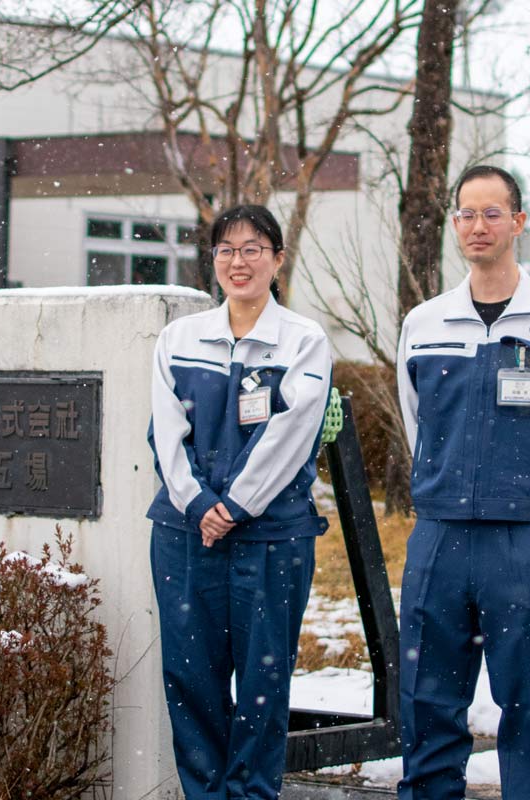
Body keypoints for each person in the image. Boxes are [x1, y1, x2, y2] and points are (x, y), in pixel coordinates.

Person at [396, 164, 530, 799]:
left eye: (492, 213)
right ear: (454, 222)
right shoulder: (424, 323)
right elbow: (417, 424)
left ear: (518, 221)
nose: (477, 226)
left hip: (523, 538)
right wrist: (448, 482)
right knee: (428, 700)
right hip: (440, 536)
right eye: (466, 213)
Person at [147, 204, 332, 800]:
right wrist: (199, 504)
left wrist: (234, 506)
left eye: (254, 248)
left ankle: (252, 795)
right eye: (227, 249)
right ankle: (203, 793)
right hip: (184, 537)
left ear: (277, 260)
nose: (239, 260)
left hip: (272, 537)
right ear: (214, 261)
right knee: (190, 680)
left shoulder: (304, 341)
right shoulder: (179, 339)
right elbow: (164, 429)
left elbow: (291, 431)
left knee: (263, 683)